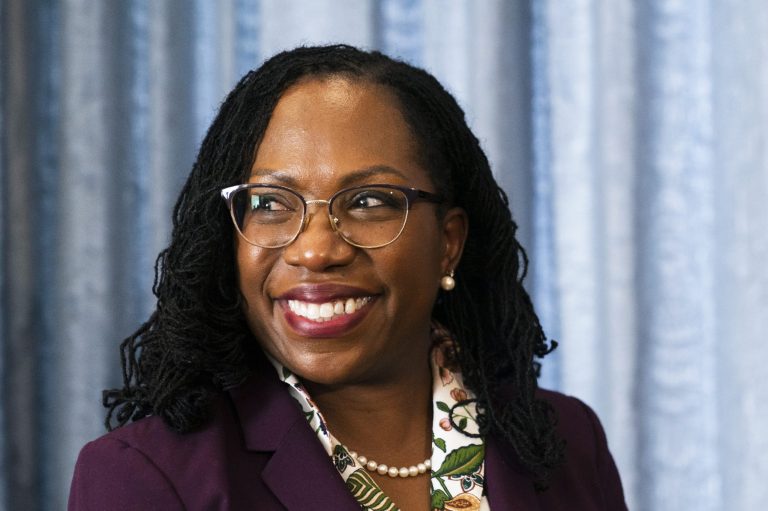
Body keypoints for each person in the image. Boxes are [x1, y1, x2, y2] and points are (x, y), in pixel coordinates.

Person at [68, 44, 627, 511]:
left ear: (448, 244)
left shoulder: (567, 442)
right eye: (269, 203)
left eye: (368, 201)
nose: (315, 250)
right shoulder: (148, 478)